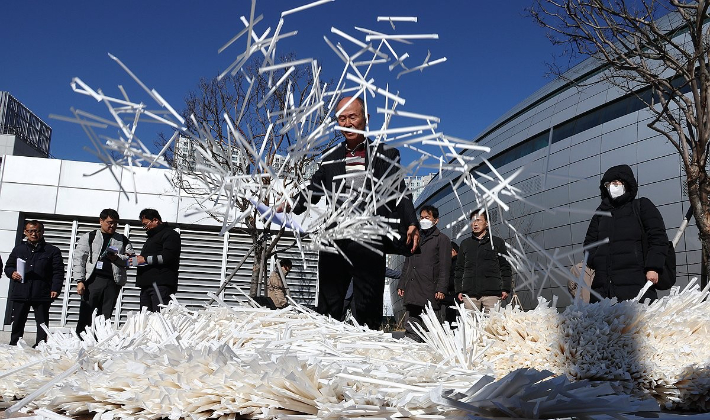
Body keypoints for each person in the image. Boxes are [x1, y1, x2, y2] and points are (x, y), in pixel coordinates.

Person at [291, 96, 420, 330]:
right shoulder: (330, 158)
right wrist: (291, 203)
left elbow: (399, 190)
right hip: (335, 237)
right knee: (329, 305)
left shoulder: (386, 154)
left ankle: (366, 351)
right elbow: (314, 188)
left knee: (367, 306)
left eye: (353, 117)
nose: (347, 123)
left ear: (366, 119)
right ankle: (326, 350)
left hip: (368, 237)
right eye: (342, 118)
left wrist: (411, 221)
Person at [583, 164, 668, 302]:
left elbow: (658, 238)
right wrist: (596, 260)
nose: (612, 187)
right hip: (602, 290)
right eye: (608, 184)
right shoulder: (600, 214)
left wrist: (653, 267)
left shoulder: (642, 206)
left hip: (637, 287)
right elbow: (589, 244)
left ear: (626, 184)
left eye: (616, 183)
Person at [73, 209, 134, 335]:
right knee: (86, 313)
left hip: (113, 282)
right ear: (101, 221)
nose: (112, 226)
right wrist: (80, 281)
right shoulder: (89, 237)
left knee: (105, 316)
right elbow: (79, 259)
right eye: (109, 222)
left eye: (115, 223)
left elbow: (132, 260)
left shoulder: (122, 239)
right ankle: (81, 339)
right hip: (93, 281)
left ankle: (100, 340)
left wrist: (117, 258)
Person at [4, 220, 64, 346]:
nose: (33, 234)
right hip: (21, 291)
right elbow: (8, 266)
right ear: (25, 232)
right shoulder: (19, 249)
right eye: (30, 231)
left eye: (36, 231)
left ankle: (41, 346)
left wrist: (56, 288)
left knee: (42, 323)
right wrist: (12, 273)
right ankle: (14, 345)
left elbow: (58, 272)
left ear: (42, 232)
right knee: (18, 322)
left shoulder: (52, 251)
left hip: (41, 292)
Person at [397, 205, 452, 341]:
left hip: (430, 285)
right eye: (421, 218)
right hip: (413, 283)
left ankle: (435, 343)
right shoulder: (416, 237)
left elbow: (445, 266)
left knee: (430, 318)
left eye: (427, 217)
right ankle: (411, 340)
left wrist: (441, 287)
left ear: (436, 220)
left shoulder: (442, 239)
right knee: (412, 314)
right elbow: (407, 262)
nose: (423, 220)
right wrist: (402, 283)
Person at [454, 210, 512, 312]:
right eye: (472, 221)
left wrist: (505, 288)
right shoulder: (465, 244)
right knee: (470, 325)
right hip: (470, 294)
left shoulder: (497, 242)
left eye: (478, 220)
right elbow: (459, 268)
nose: (475, 224)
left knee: (492, 326)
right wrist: (459, 289)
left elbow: (505, 266)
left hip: (492, 293)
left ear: (487, 223)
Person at [133, 209, 181, 312]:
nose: (145, 228)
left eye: (146, 224)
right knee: (145, 319)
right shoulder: (151, 238)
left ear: (155, 220)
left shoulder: (170, 235)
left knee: (160, 318)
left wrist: (145, 259)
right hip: (147, 284)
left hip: (160, 285)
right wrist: (134, 260)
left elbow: (168, 256)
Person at [439, 241, 460, 326]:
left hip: (457, 296)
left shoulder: (459, 263)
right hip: (448, 298)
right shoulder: (446, 264)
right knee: (449, 321)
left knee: (456, 322)